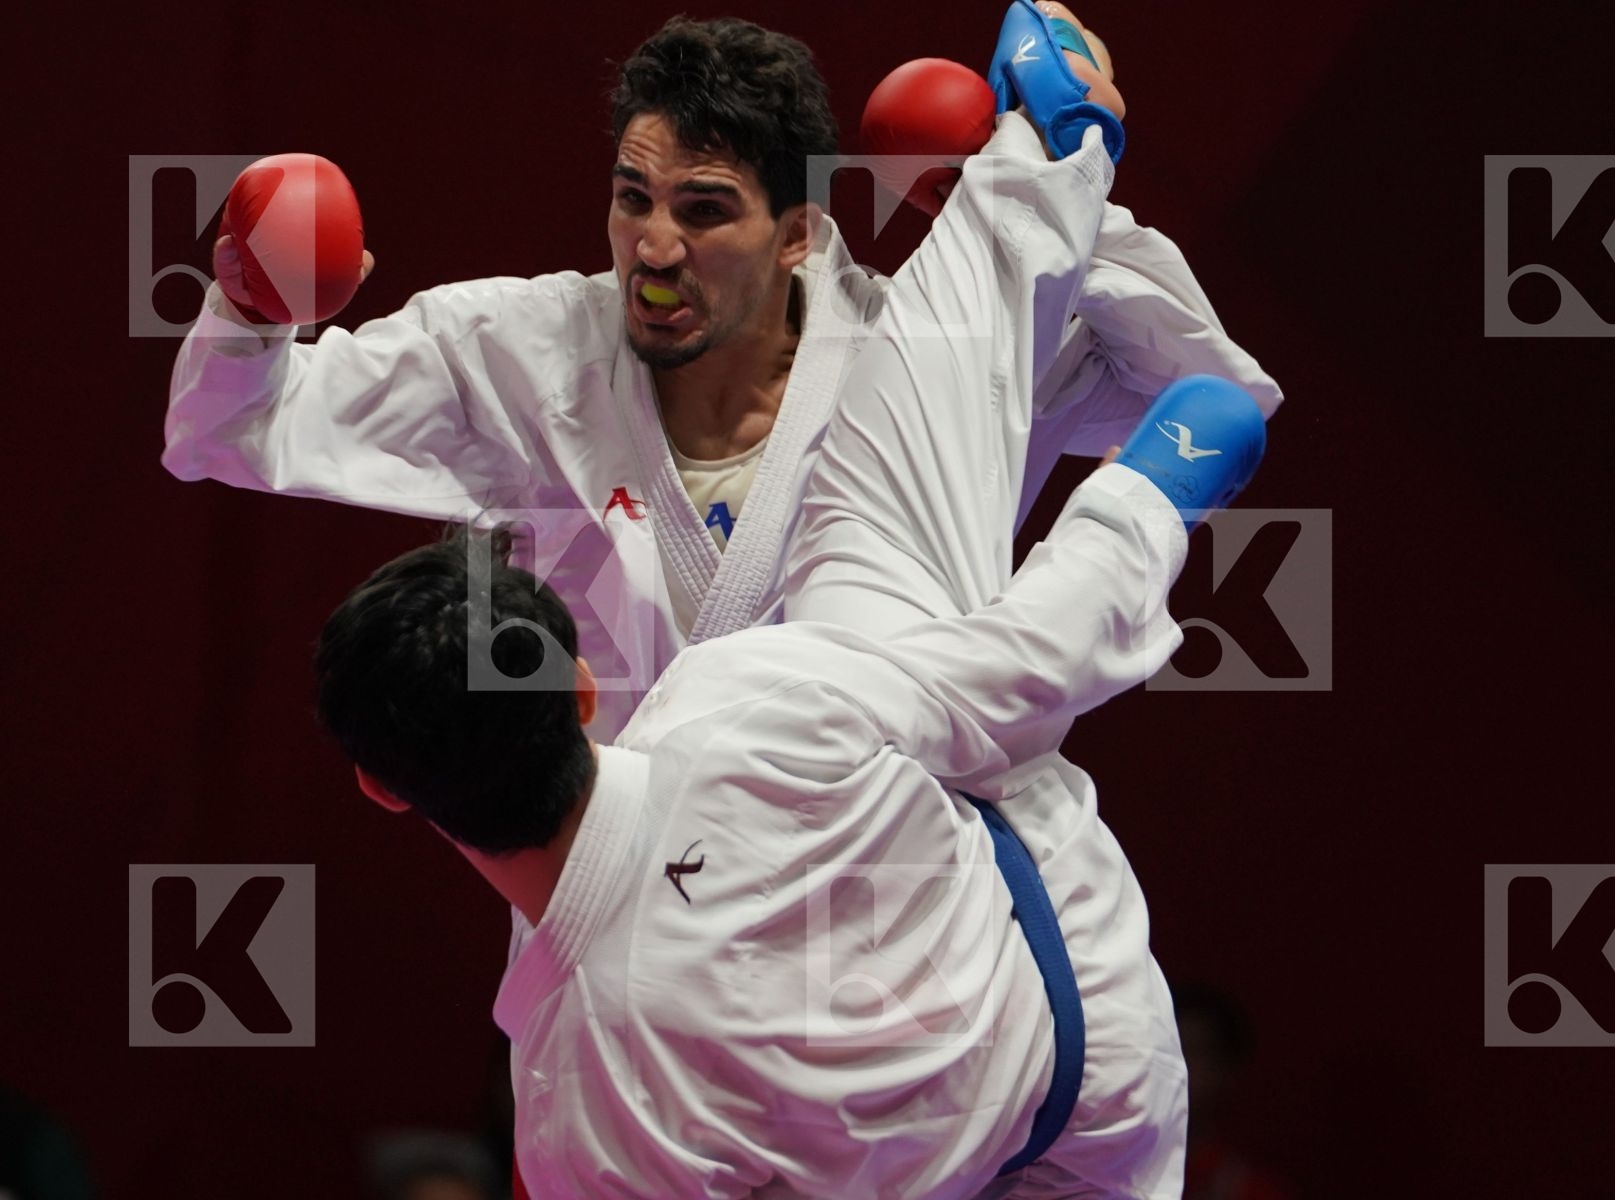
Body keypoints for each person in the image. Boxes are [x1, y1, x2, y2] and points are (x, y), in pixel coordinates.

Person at [166, 6, 1282, 743]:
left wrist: (1070, 194)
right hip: (627, 936)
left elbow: (1205, 388)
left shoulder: (931, 358)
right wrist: (252, 308)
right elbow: (230, 434)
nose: (652, 247)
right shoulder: (521, 352)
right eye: (631, 198)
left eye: (703, 211)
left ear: (798, 233)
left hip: (890, 916)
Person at [314, 376, 1262, 1199]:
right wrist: (1153, 485)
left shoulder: (576, 1108)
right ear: (582, 688)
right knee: (932, 657)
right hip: (1104, 1042)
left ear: (381, 789)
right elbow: (1030, 660)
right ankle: (1031, 197)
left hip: (1073, 1089)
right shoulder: (737, 698)